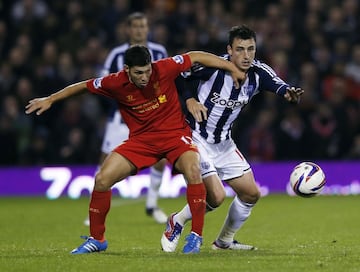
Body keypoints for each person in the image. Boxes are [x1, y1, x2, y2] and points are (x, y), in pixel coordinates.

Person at [25, 45, 246, 254]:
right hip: (141, 142)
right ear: (127, 70)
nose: (145, 77)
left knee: (193, 170)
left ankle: (195, 235)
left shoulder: (164, 68)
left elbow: (196, 56)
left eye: (147, 71)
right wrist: (51, 99)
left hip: (175, 136)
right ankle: (97, 240)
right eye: (139, 73)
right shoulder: (114, 82)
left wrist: (231, 67)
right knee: (102, 179)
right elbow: (83, 86)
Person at [161, 25, 304, 252]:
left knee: (251, 194)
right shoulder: (211, 66)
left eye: (250, 49)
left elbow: (280, 86)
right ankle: (176, 221)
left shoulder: (259, 73)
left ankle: (224, 241)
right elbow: (178, 74)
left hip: (224, 143)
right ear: (229, 50)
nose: (246, 55)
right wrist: (189, 100)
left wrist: (290, 93)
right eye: (240, 49)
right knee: (216, 196)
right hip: (196, 137)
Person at [84, 12, 169, 226]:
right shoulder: (116, 54)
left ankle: (152, 205)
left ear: (147, 28)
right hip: (121, 119)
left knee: (160, 159)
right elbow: (103, 85)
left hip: (152, 118)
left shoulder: (159, 51)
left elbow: (166, 82)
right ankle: (93, 210)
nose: (140, 30)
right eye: (136, 26)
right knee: (105, 164)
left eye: (143, 26)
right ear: (128, 30)